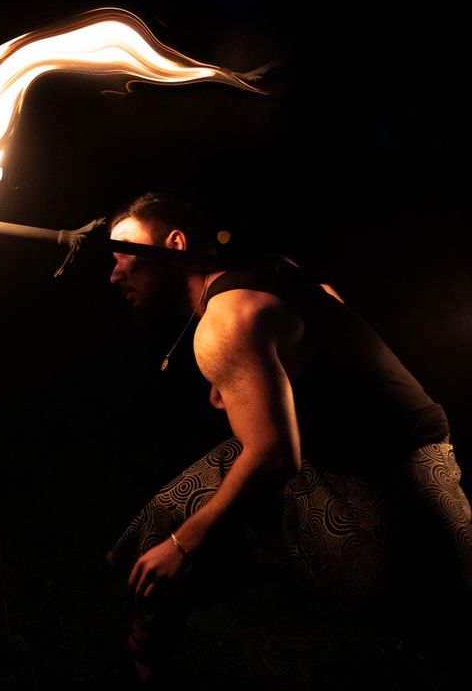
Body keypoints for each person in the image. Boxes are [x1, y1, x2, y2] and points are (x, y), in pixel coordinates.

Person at [104, 191, 472, 687]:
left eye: (125, 252)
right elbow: (328, 297)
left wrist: (185, 547)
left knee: (443, 618)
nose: (114, 273)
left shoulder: (225, 321)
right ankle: (145, 655)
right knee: (170, 516)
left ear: (174, 243)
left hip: (400, 464)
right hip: (324, 455)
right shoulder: (270, 270)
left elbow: (276, 457)